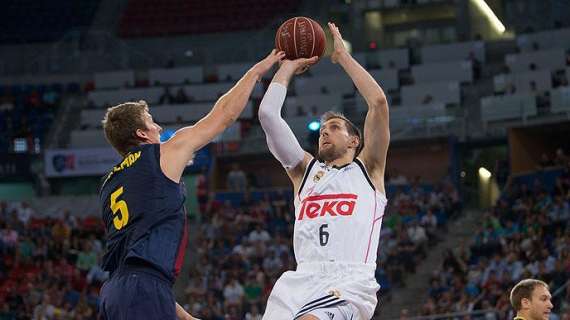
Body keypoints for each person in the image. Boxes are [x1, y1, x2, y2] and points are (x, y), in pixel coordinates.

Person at [97, 49, 285, 320]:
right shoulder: (158, 155)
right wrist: (256, 71)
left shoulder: (109, 184)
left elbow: (134, 267)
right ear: (141, 134)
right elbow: (223, 116)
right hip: (142, 291)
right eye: (151, 123)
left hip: (114, 295)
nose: (159, 127)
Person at [258, 22, 389, 320]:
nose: (325, 133)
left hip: (348, 281)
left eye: (334, 128)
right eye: (322, 131)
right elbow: (267, 115)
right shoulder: (304, 171)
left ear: (355, 141)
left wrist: (343, 57)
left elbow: (378, 103)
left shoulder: (369, 169)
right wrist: (288, 67)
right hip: (300, 280)